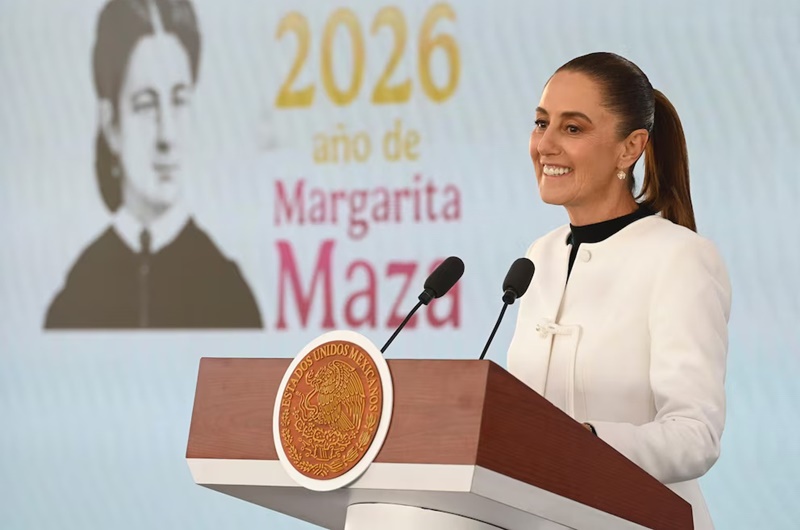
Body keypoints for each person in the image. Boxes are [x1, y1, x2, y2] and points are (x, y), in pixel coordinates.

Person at [506, 52, 731, 530]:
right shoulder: (539, 256)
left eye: (572, 128)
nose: (545, 144)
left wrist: (587, 442)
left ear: (630, 148)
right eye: (541, 123)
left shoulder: (679, 258)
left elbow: (696, 435)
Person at [44, 0, 262, 329]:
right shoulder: (77, 298)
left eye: (179, 101)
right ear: (111, 124)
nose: (167, 135)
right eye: (146, 105)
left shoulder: (228, 295)